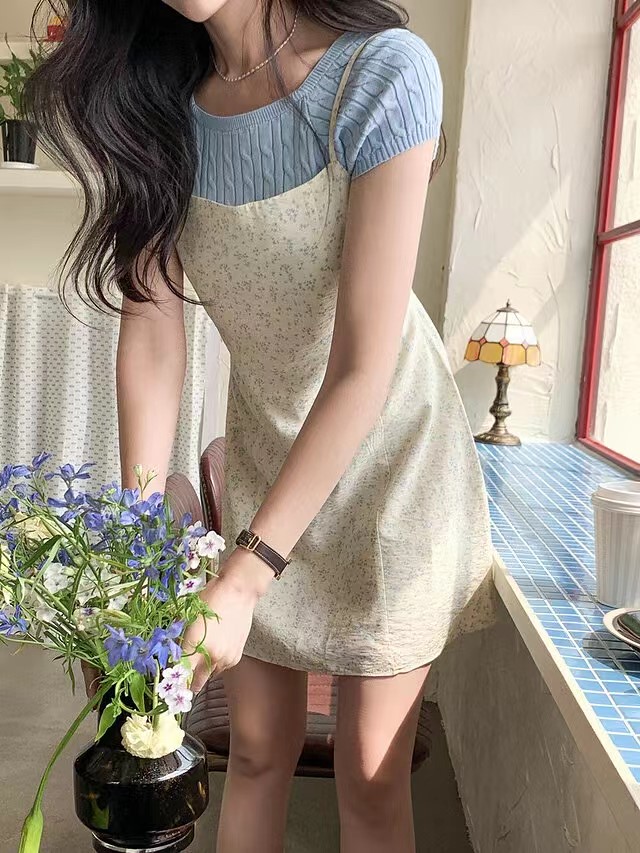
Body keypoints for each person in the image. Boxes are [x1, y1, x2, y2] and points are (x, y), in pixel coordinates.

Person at [28, 2, 494, 851]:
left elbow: (362, 365)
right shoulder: (159, 108)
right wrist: (139, 543)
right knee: (254, 751)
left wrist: (244, 579)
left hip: (395, 467)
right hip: (267, 458)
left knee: (370, 772)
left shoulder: (381, 75)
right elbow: (153, 329)